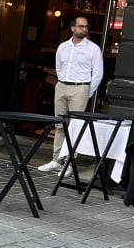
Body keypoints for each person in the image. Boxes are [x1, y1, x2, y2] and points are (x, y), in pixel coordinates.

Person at [38, 15, 103, 172]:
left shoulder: (93, 49)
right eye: (81, 26)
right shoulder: (63, 47)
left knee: (75, 126)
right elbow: (59, 66)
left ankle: (70, 163)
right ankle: (56, 159)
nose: (84, 29)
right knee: (59, 124)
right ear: (72, 28)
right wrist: (62, 81)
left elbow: (98, 73)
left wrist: (86, 92)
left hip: (80, 88)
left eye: (86, 26)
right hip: (62, 86)